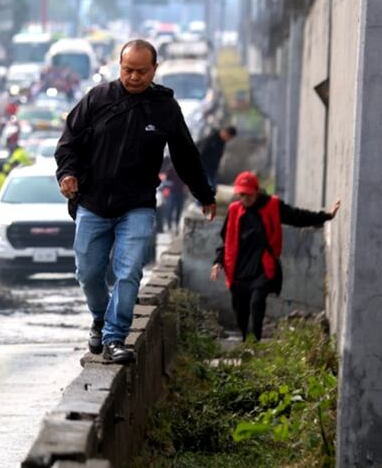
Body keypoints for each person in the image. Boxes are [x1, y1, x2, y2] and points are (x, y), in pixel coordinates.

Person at [55, 39, 217, 364]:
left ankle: (115, 338)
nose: (134, 77)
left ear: (154, 70)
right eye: (128, 70)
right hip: (93, 202)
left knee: (128, 271)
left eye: (141, 71)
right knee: (87, 273)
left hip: (138, 205)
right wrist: (67, 174)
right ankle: (101, 318)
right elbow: (68, 142)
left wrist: (204, 194)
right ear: (119, 67)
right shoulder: (97, 99)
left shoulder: (165, 108)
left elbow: (186, 155)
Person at [211, 171, 340, 342]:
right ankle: (245, 339)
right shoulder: (234, 210)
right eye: (241, 194)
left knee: (257, 302)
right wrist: (218, 262)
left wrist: (327, 216)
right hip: (238, 269)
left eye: (248, 194)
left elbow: (297, 216)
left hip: (262, 267)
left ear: (256, 191)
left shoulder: (272, 205)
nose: (245, 198)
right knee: (240, 309)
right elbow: (225, 240)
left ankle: (255, 341)